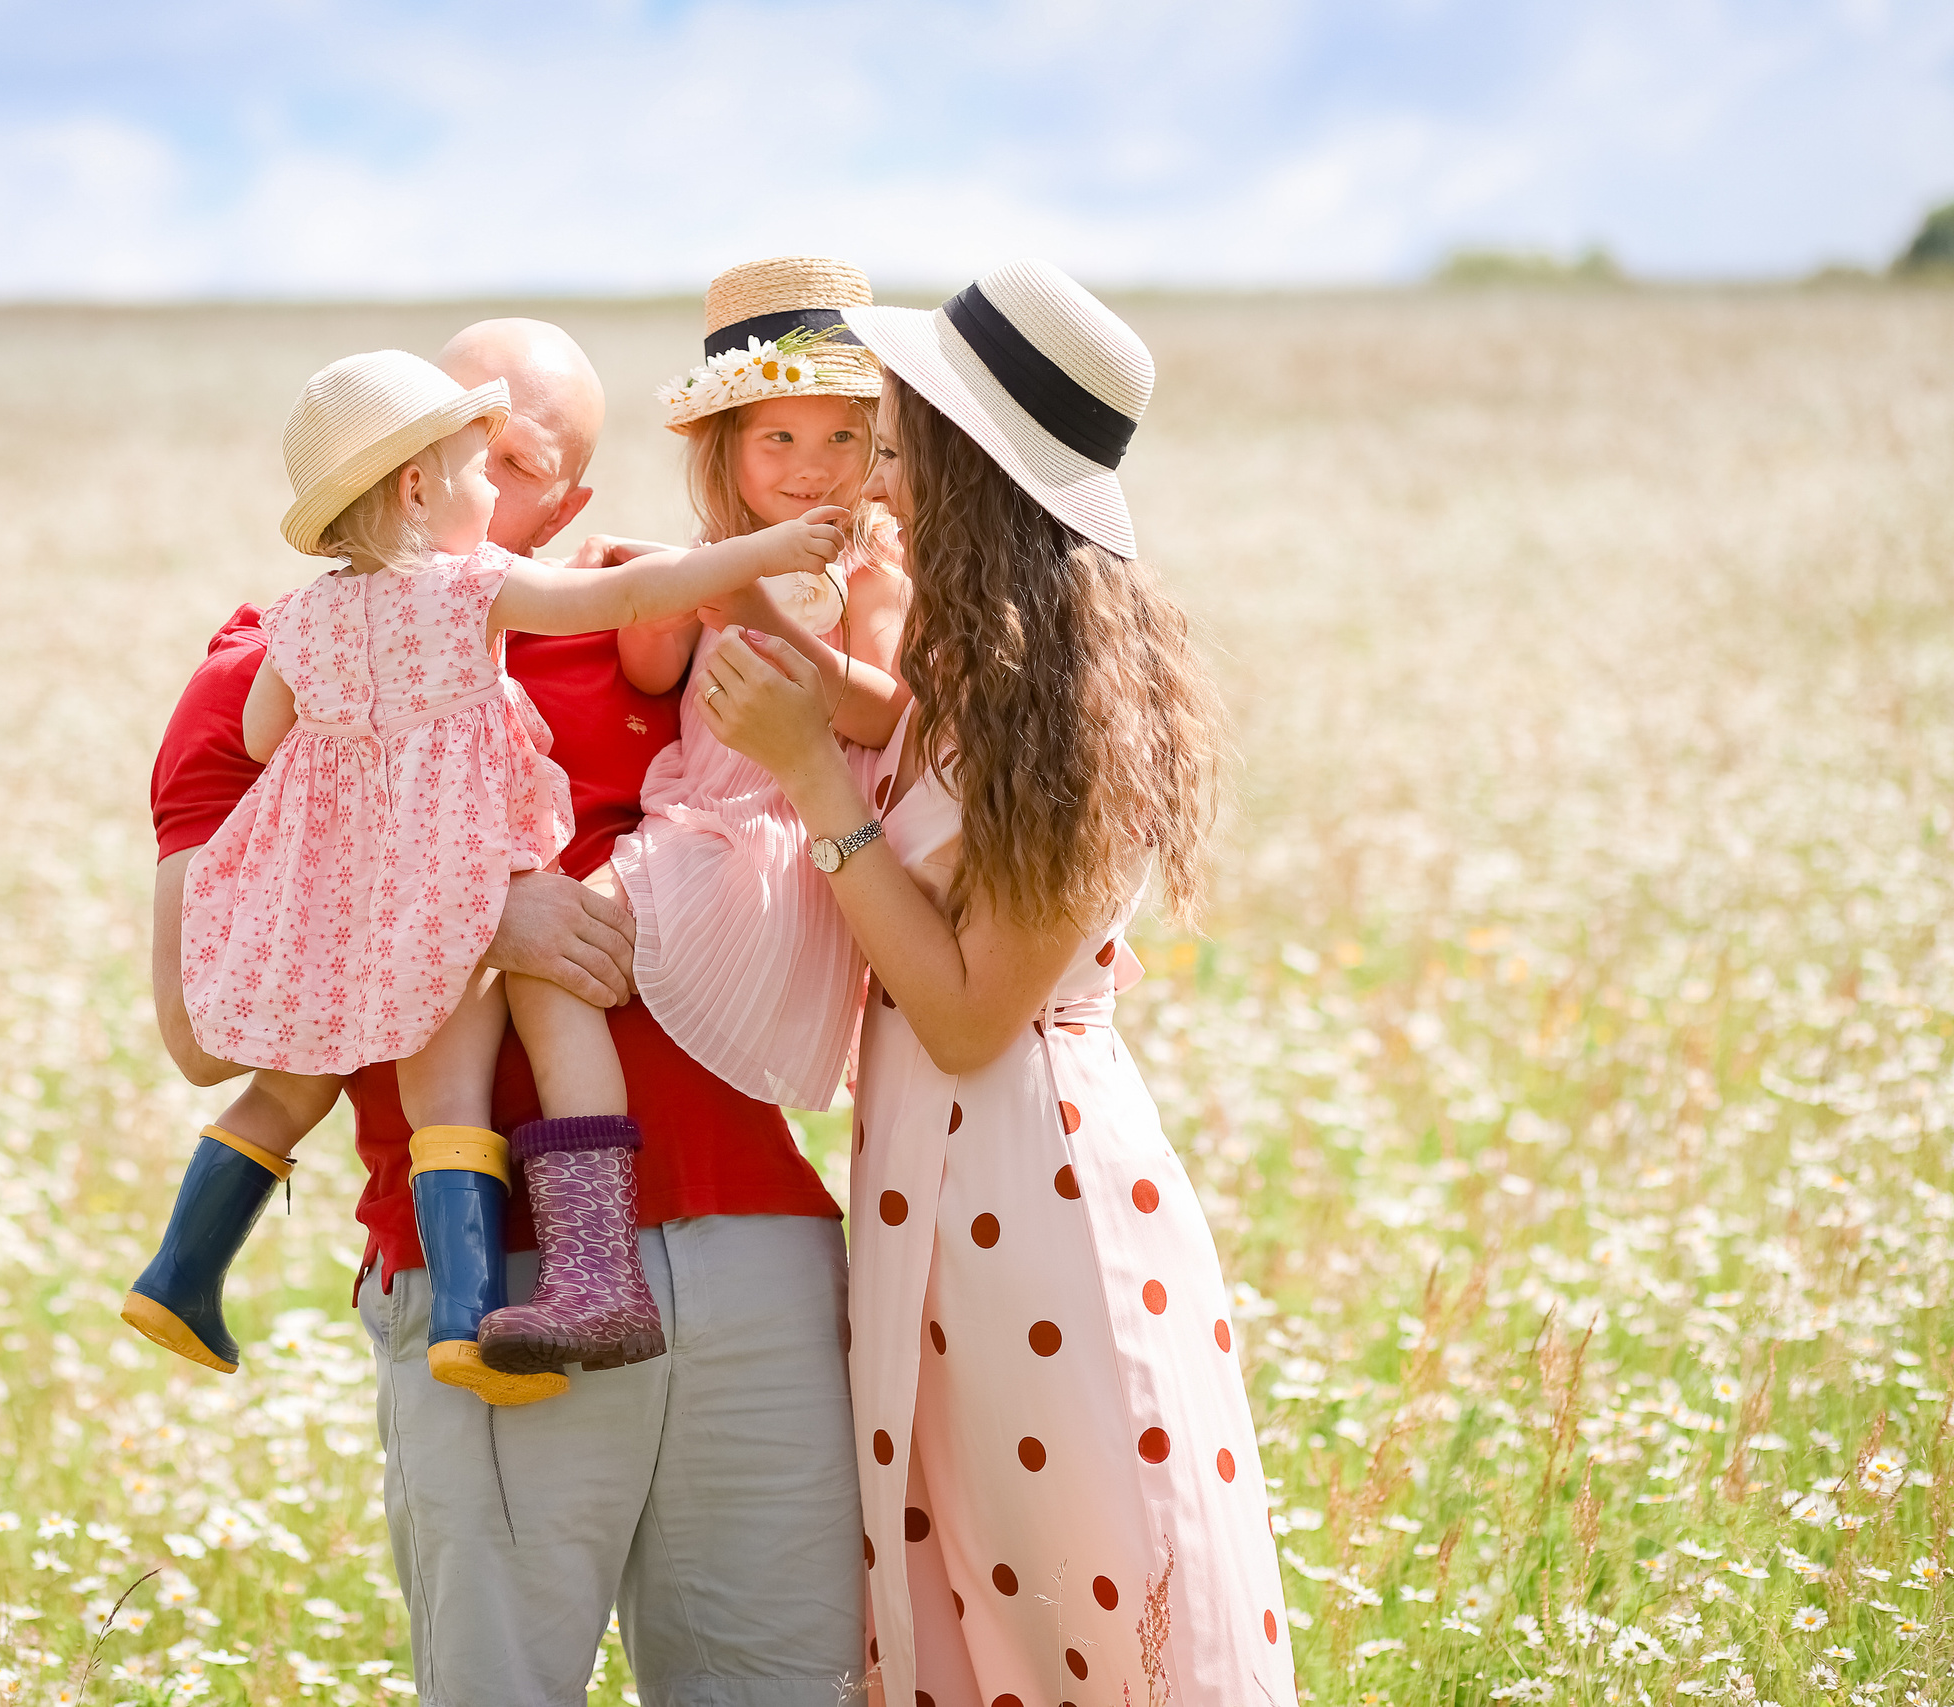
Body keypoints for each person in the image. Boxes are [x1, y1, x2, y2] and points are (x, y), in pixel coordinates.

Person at [144, 319, 868, 1703]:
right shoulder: (273, 658)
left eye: (519, 458)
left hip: (760, 1243)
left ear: (569, 496)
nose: (478, 474)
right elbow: (198, 1024)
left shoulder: (654, 633)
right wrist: (481, 912)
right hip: (494, 1287)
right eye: (454, 445)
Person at [704, 261, 1296, 1706]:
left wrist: (808, 778)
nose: (878, 474)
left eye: (903, 444)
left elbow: (972, 1016)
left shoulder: (1082, 706)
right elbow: (912, 756)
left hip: (1032, 1187)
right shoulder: (993, 664)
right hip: (941, 1176)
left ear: (971, 465)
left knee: (1079, 1586)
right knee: (972, 1583)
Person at [597, 255, 912, 1112]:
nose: (813, 467)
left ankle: (585, 1182)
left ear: (877, 444)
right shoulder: (717, 555)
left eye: (841, 438)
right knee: (553, 961)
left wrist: (759, 614)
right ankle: (583, 1164)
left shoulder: (870, 570)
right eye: (780, 439)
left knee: (566, 947)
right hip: (693, 816)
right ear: (725, 447)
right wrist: (664, 600)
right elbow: (651, 673)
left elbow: (887, 715)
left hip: (781, 848)